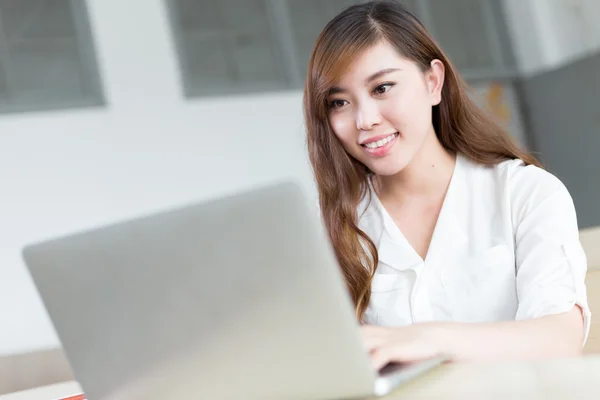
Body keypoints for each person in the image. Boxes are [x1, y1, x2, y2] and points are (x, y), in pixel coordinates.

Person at [303, 1, 590, 369]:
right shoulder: (327, 224)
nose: (364, 120)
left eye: (382, 88)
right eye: (338, 102)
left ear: (432, 82)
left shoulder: (526, 193)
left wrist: (426, 340)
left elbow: (558, 339)